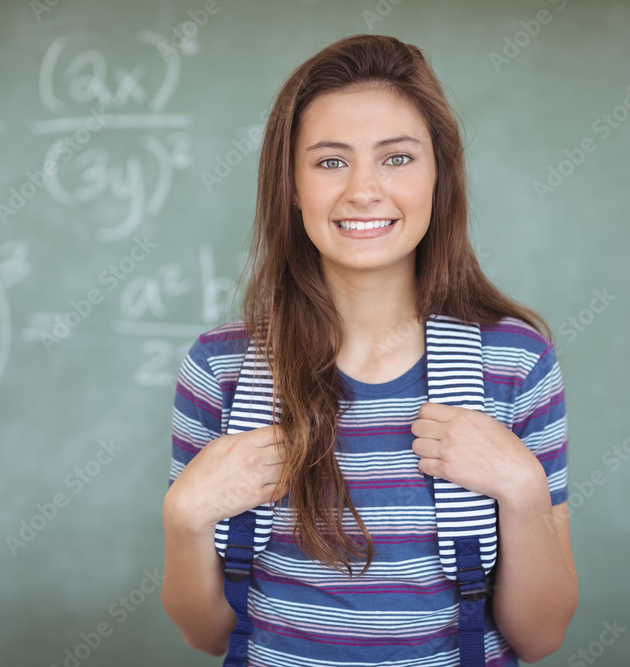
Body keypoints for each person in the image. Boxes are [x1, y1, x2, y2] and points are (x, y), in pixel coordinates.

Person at [162, 34, 577, 666]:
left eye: (397, 159)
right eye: (330, 162)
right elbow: (208, 633)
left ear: (439, 177)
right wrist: (185, 516)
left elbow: (540, 638)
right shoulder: (223, 370)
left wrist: (521, 487)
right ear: (292, 185)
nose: (363, 190)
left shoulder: (515, 364)